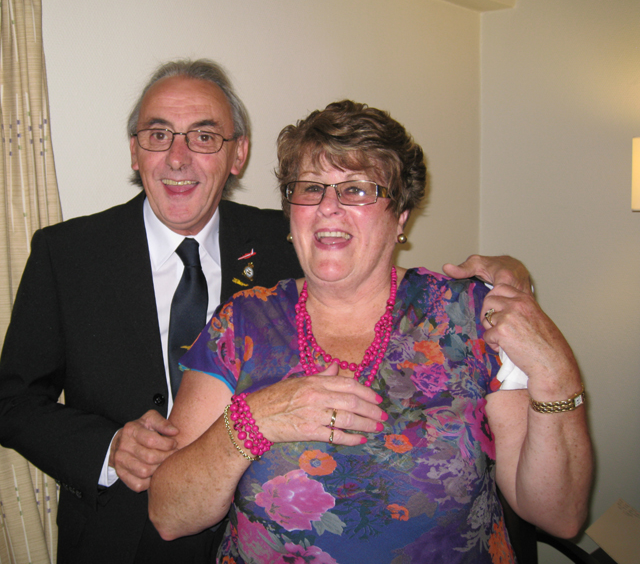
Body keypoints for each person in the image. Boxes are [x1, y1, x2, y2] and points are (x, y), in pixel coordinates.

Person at [0, 59, 532, 564]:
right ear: (135, 151)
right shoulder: (68, 253)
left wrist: (509, 274)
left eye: (204, 136)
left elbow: (382, 273)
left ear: (238, 154)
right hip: (124, 532)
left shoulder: (293, 234)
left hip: (268, 527)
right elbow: (13, 401)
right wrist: (108, 449)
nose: (178, 157)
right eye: (158, 135)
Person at [148, 100, 592, 563]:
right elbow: (169, 514)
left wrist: (557, 374)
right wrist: (254, 421)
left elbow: (558, 515)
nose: (328, 208)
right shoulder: (240, 325)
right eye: (311, 188)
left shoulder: (468, 319)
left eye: (357, 190)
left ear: (400, 216)